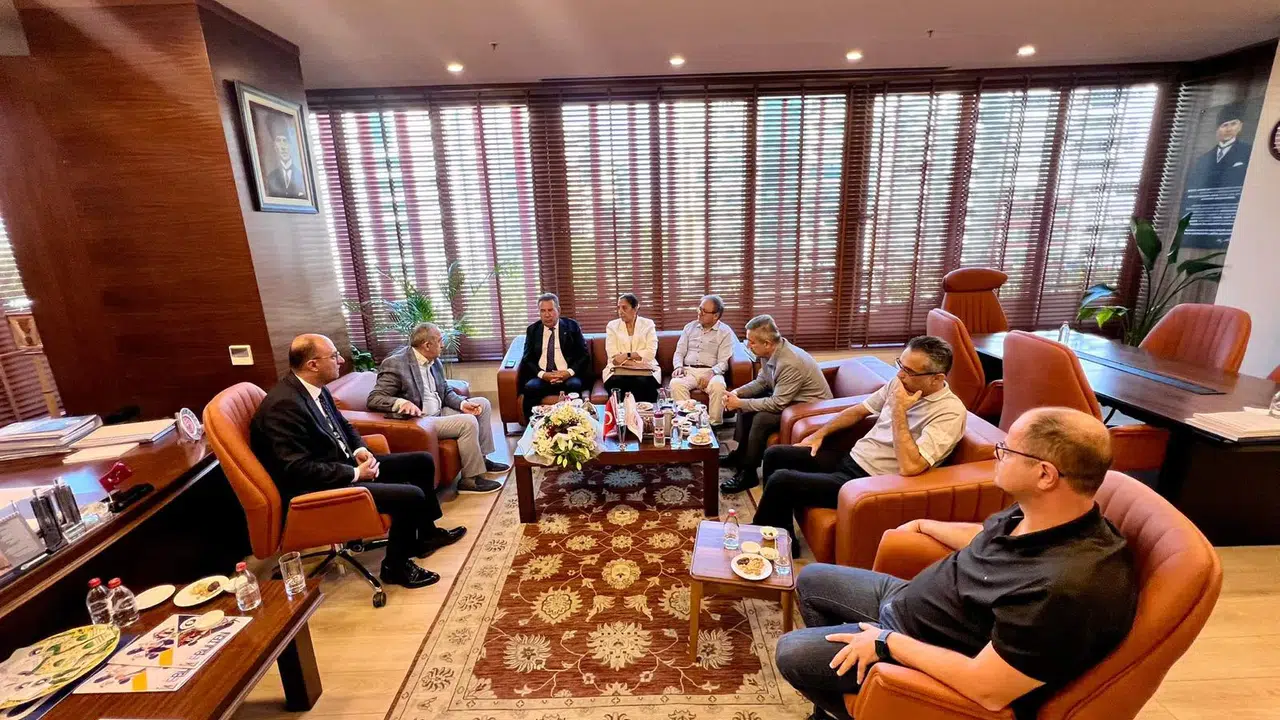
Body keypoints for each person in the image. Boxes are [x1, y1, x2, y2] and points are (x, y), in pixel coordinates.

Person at [774, 408, 1138, 720]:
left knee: (791, 653)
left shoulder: (1067, 588)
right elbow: (989, 537)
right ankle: (838, 690)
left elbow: (988, 689)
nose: (997, 454)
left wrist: (886, 643)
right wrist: (926, 524)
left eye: (1007, 450)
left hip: (921, 645)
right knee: (812, 579)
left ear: (1045, 474)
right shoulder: (1051, 514)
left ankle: (865, 702)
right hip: (911, 603)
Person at [250, 334, 466, 590]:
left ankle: (426, 535)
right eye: (334, 356)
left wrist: (360, 449)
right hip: (319, 486)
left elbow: (345, 426)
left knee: (421, 462)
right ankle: (395, 566)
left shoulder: (314, 389)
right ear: (313, 365)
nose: (341, 360)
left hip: (341, 464)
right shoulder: (283, 406)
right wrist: (355, 473)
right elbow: (296, 470)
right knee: (411, 496)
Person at [752, 335, 966, 540]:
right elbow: (859, 410)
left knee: (782, 481)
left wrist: (899, 411)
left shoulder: (949, 413)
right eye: (900, 365)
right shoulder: (900, 383)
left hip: (871, 481)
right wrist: (819, 434)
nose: (900, 375)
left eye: (909, 371)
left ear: (937, 378)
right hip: (853, 458)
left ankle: (759, 536)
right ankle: (781, 533)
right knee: (775, 454)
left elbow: (911, 467)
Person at [366, 322, 509, 494]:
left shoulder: (434, 361)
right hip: (421, 420)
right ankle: (469, 480)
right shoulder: (396, 364)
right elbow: (375, 398)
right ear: (427, 345)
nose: (443, 344)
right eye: (440, 340)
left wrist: (462, 404)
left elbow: (445, 390)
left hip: (439, 411)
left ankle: (482, 459)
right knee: (468, 422)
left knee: (482, 404)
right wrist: (401, 403)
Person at [720, 315, 831, 494]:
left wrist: (741, 402)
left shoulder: (790, 362)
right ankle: (740, 455)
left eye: (752, 342)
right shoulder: (767, 353)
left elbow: (777, 404)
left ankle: (749, 473)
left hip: (810, 409)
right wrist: (737, 393)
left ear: (767, 343)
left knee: (762, 418)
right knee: (745, 406)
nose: (748, 345)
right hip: (789, 399)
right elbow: (762, 382)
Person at [517, 293, 591, 421]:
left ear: (558, 310)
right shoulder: (533, 330)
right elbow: (527, 359)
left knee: (574, 385)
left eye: (550, 310)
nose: (547, 315)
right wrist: (543, 374)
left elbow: (584, 355)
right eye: (543, 311)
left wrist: (568, 373)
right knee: (530, 387)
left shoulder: (572, 326)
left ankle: (574, 424)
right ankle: (533, 426)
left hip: (567, 376)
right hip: (543, 377)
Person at [669, 294, 735, 424]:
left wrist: (712, 373)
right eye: (700, 309)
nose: (700, 313)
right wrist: (678, 366)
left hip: (711, 371)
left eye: (704, 311)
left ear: (715, 315)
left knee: (718, 385)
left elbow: (724, 362)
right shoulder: (689, 327)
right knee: (675, 383)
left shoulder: (725, 332)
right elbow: (679, 352)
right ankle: (686, 423)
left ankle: (714, 425)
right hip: (689, 371)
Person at [602, 293, 660, 402]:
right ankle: (620, 412)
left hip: (646, 371)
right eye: (618, 308)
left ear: (635, 308)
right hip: (618, 370)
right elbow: (613, 356)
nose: (620, 311)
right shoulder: (612, 326)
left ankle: (644, 412)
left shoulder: (648, 324)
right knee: (617, 382)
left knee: (642, 382)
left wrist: (626, 356)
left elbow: (650, 353)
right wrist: (634, 363)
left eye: (624, 308)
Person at [262, 114, 307, 199]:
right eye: (278, 141)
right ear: (275, 146)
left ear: (291, 145)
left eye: (285, 141)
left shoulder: (302, 176)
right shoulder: (271, 178)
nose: (283, 147)